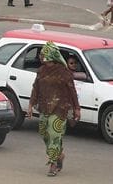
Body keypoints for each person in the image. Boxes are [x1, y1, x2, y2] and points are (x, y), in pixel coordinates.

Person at [26, 42, 80, 177]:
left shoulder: (64, 72)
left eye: (43, 53)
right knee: (45, 133)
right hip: (44, 107)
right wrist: (31, 105)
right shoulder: (41, 71)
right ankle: (59, 154)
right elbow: (36, 88)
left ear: (51, 55)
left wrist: (76, 109)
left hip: (60, 108)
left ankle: (53, 164)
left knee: (54, 134)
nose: (41, 56)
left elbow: (72, 91)